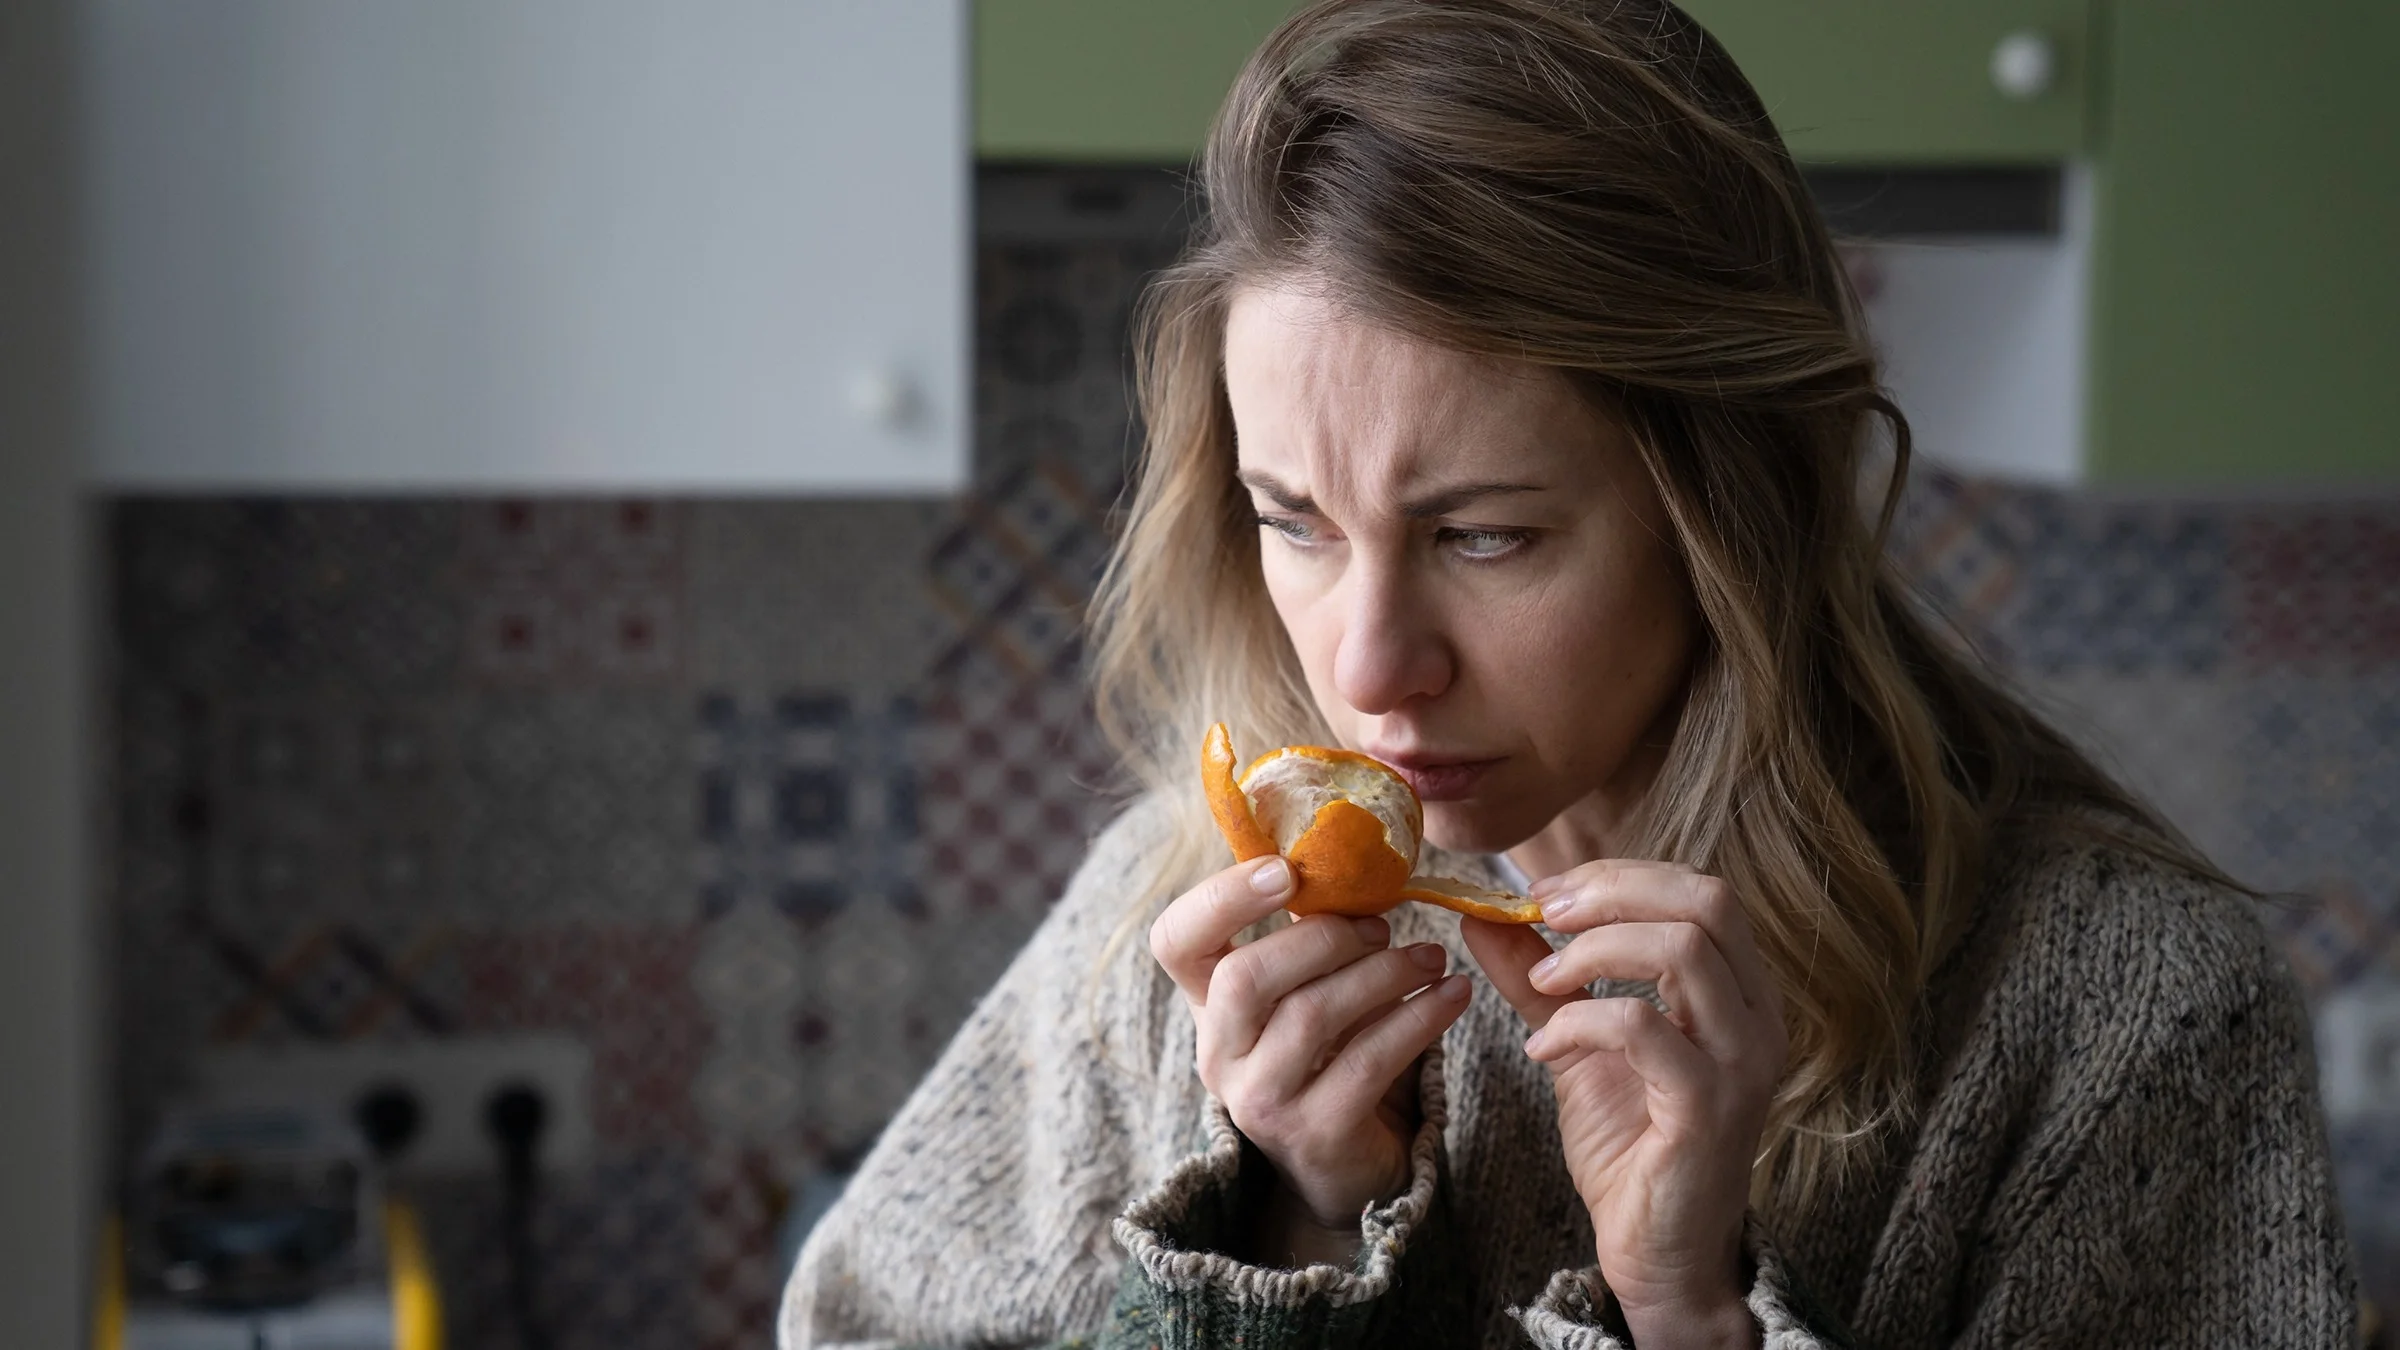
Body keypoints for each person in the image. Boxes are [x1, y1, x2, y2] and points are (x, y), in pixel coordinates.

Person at [780, 2, 2359, 1346]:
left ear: (1727, 511)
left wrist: (1687, 1310)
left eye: (1483, 537)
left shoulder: (2125, 1010)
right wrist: (1282, 1237)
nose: (1369, 665)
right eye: (1295, 522)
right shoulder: (1172, 926)